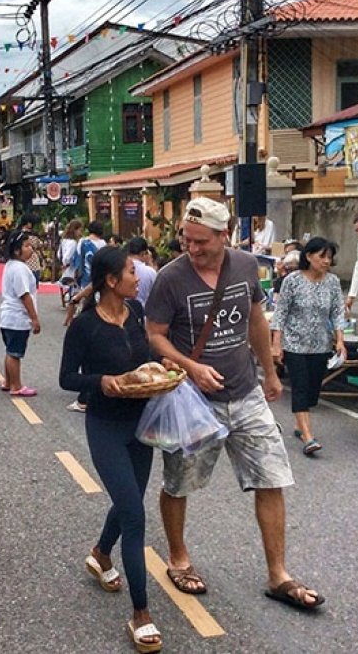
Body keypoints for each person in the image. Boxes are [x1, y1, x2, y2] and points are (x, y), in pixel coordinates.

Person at [144, 197, 323, 610]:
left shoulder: (244, 266)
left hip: (245, 392)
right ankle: (179, 558)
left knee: (271, 477)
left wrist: (270, 371)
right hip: (193, 402)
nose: (192, 248)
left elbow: (255, 319)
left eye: (201, 241)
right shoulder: (170, 278)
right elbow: (155, 335)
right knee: (178, 483)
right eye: (186, 239)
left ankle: (278, 574)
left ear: (224, 236)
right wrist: (190, 367)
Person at [59, 246, 163, 653]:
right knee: (135, 515)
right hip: (104, 426)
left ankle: (101, 553)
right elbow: (68, 378)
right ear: (110, 281)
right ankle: (141, 613)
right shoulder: (84, 327)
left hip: (142, 424)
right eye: (132, 272)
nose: (139, 278)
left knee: (128, 502)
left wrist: (164, 370)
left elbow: (149, 356)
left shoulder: (136, 314)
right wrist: (100, 382)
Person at [269, 237, 347, 457]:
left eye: (329, 257)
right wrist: (277, 344)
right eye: (322, 256)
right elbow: (281, 313)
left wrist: (339, 340)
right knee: (301, 387)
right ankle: (307, 435)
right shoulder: (292, 280)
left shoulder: (332, 282)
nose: (326, 261)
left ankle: (299, 424)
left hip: (321, 344)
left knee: (313, 390)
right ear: (309, 256)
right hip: (294, 344)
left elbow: (337, 312)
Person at [0, 231, 41, 397]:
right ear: (17, 251)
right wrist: (34, 318)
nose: (30, 249)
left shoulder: (10, 265)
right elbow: (25, 295)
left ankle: (8, 381)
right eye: (26, 246)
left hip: (7, 317)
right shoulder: (20, 269)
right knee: (15, 354)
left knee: (10, 351)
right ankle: (16, 386)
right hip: (17, 318)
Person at [125, 237, 156, 307]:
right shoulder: (150, 272)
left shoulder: (122, 267)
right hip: (145, 311)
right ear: (143, 253)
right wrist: (150, 263)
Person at [19, 213, 45, 286]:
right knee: (32, 290)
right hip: (33, 264)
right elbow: (40, 245)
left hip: (21, 264)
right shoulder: (33, 236)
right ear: (29, 223)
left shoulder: (17, 234)